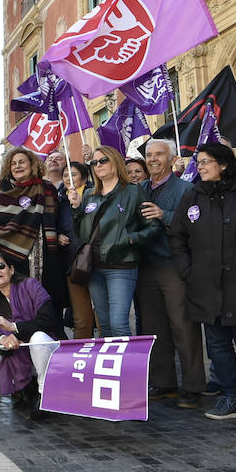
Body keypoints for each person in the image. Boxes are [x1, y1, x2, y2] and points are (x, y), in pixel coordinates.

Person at [170, 142, 236, 429]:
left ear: (223, 164)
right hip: (205, 287)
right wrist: (187, 271)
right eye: (199, 161)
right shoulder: (192, 196)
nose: (200, 166)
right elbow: (177, 238)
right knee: (218, 346)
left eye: (206, 161)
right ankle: (230, 396)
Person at [136, 138, 205, 407]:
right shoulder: (139, 188)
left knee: (182, 325)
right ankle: (163, 382)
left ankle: (193, 385)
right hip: (145, 265)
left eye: (159, 154)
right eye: (149, 155)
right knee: (153, 328)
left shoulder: (187, 189)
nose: (153, 159)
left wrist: (164, 215)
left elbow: (194, 223)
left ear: (172, 158)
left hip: (173, 265)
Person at [70, 145, 160, 339]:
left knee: (118, 324)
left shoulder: (133, 192)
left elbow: (153, 227)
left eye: (103, 160)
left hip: (121, 266)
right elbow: (81, 232)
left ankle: (127, 369)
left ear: (115, 162)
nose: (98, 165)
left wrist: (130, 239)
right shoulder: (88, 194)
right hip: (93, 267)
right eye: (94, 162)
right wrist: (77, 209)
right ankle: (111, 368)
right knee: (105, 325)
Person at [0, 148, 72, 328]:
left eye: (22, 162)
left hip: (47, 255)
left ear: (32, 165)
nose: (17, 166)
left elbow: (58, 217)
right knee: (21, 305)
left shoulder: (47, 188)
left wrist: (60, 232)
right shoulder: (5, 193)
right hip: (16, 258)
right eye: (13, 163)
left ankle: (52, 346)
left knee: (49, 306)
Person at [0, 254, 62, 420]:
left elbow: (49, 321)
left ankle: (45, 396)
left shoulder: (30, 285)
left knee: (38, 339)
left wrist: (14, 328)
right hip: (19, 354)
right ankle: (25, 387)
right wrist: (3, 340)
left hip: (46, 351)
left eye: (1, 266)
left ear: (11, 269)